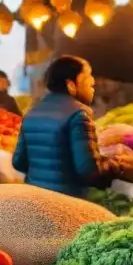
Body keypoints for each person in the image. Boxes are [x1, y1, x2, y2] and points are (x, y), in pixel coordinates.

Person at [12, 55, 115, 198]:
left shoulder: (32, 112)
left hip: (35, 200)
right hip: (66, 203)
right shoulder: (79, 113)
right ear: (71, 84)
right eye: (87, 79)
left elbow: (18, 162)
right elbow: (88, 170)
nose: (92, 83)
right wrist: (116, 166)